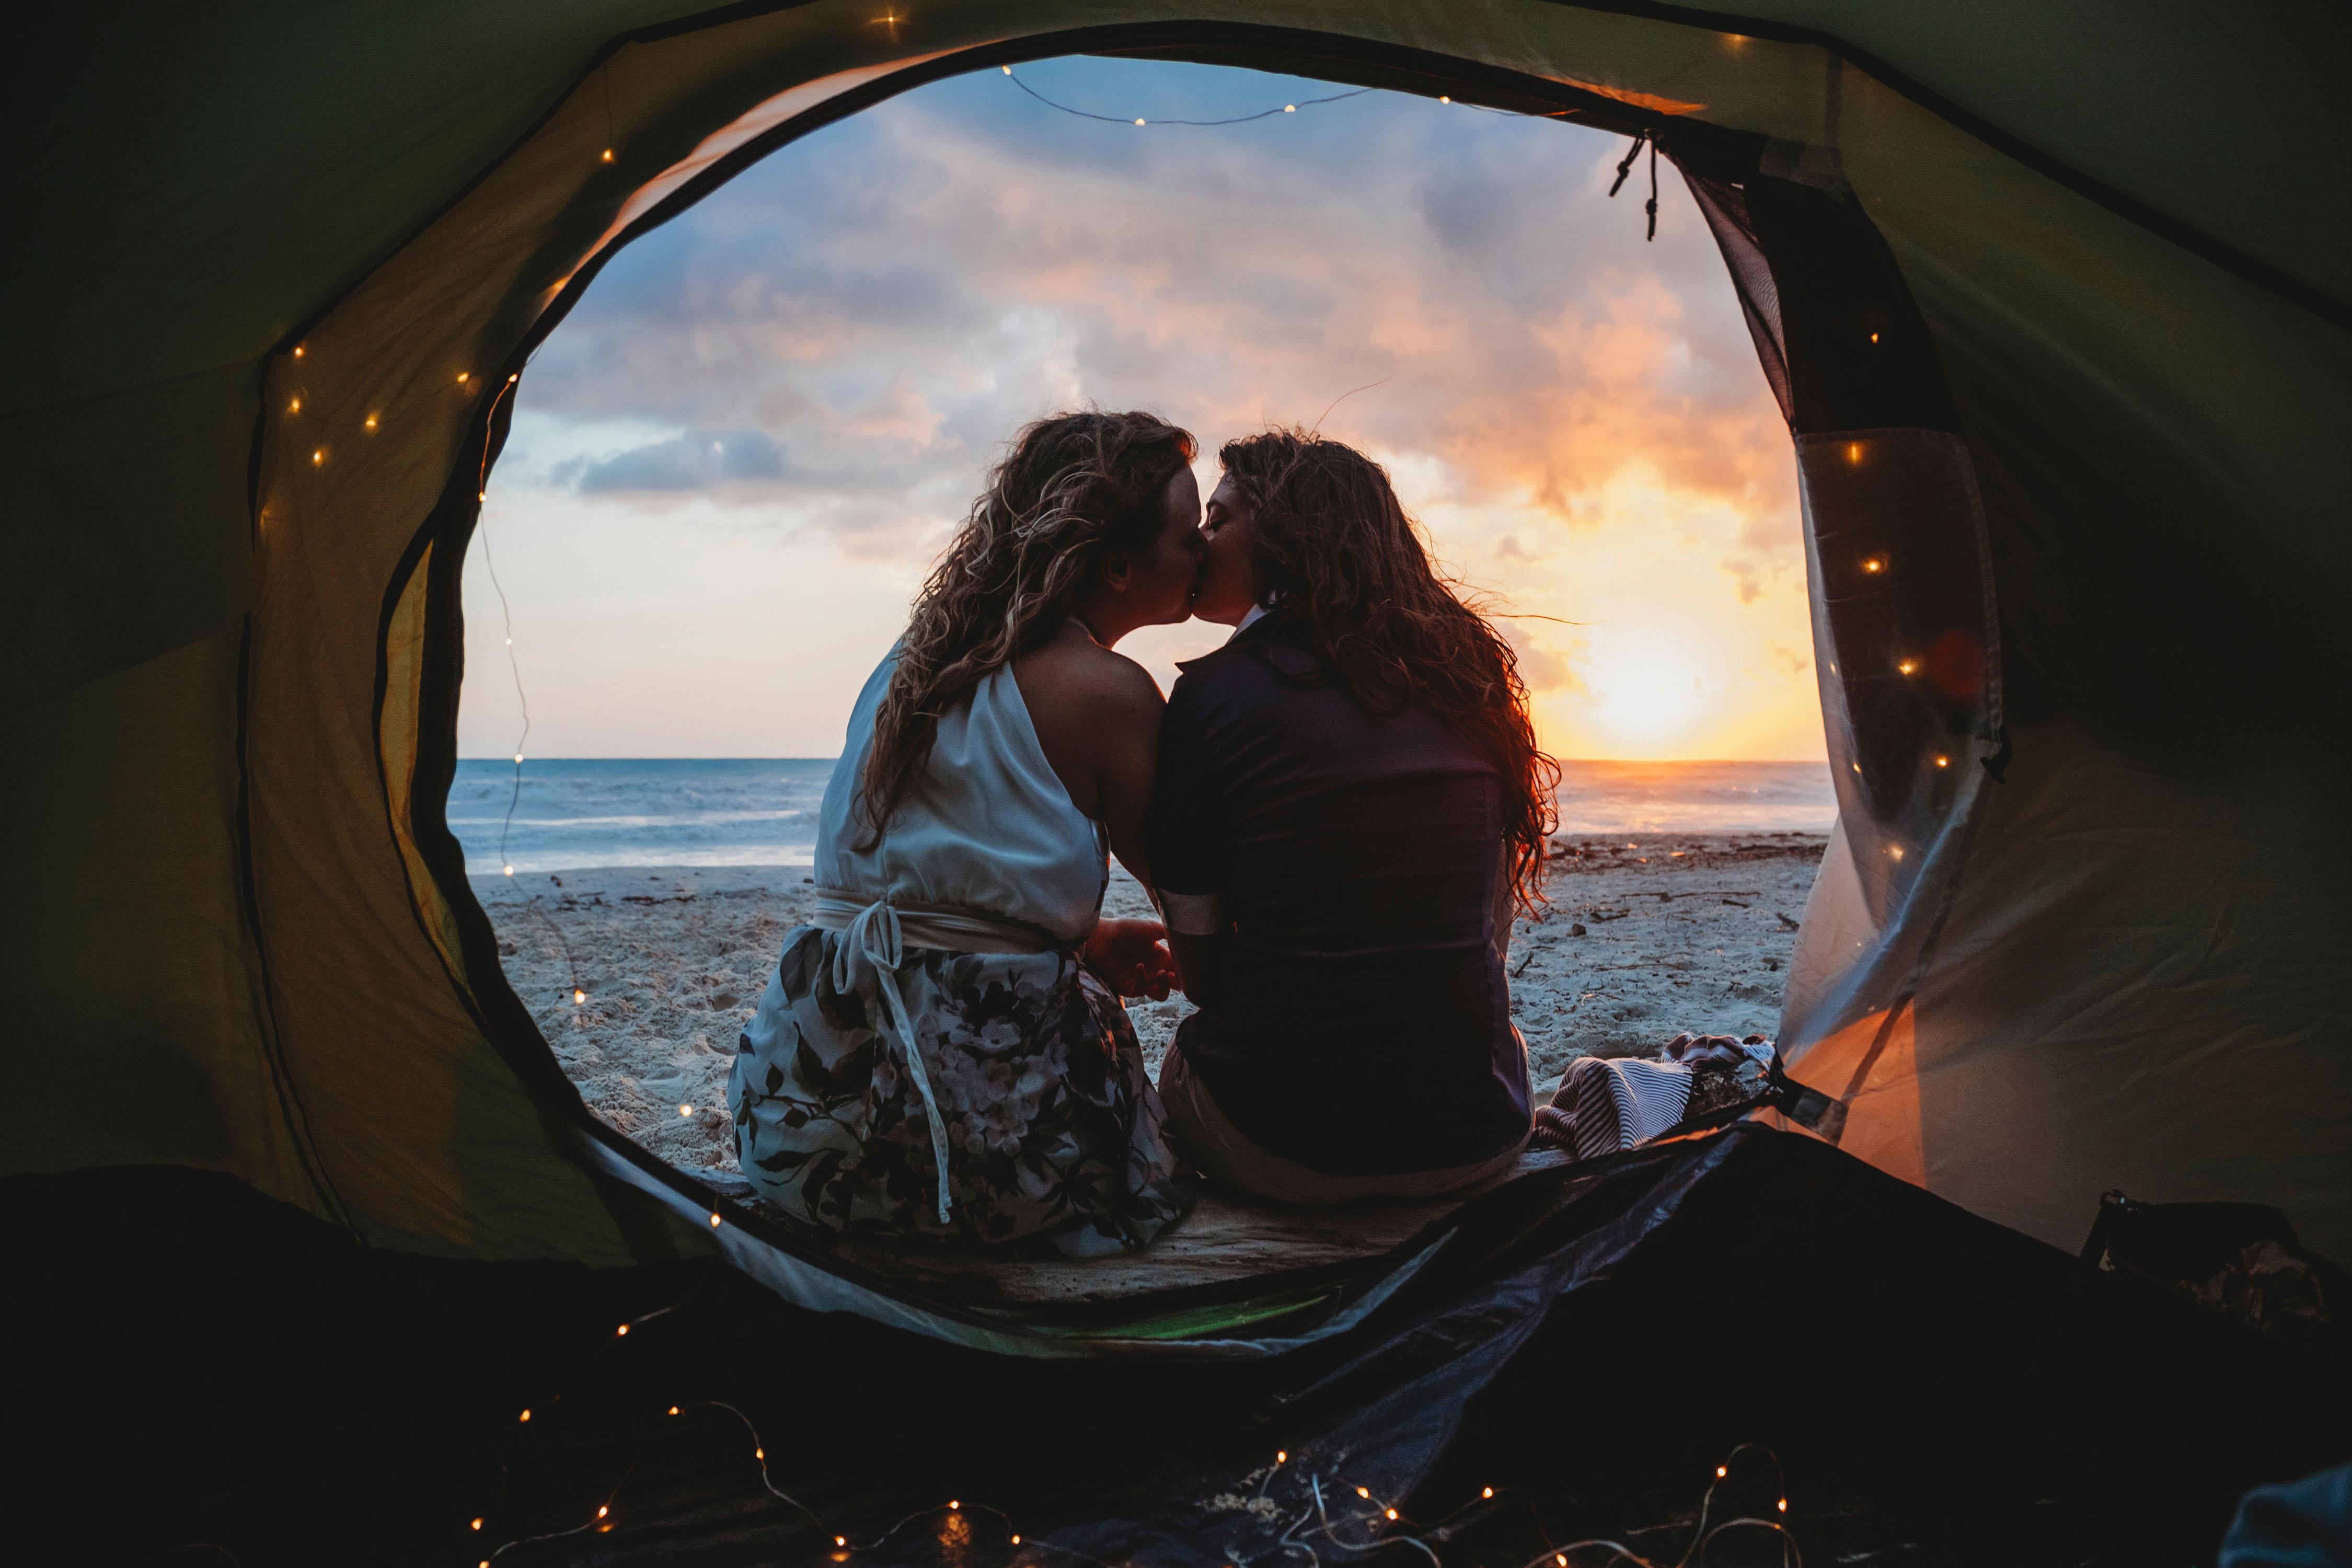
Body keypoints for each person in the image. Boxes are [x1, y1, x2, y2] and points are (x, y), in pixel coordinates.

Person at [729, 411, 1200, 1251]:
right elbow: (1196, 909)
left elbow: (923, 873)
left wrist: (1080, 942)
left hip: (800, 1139)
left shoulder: (917, 660)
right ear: (1121, 565)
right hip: (982, 1176)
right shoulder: (1111, 694)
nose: (1202, 557)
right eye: (1191, 537)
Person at [1148, 429, 1558, 1203]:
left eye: (1218, 518)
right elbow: (1488, 931)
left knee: (1182, 1062)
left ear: (1283, 534)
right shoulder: (1467, 676)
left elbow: (1203, 980)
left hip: (1289, 1153)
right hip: (1480, 1133)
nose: (1200, 541)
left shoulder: (1211, 698)